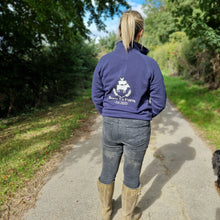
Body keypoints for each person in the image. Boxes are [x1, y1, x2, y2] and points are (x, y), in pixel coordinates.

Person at [92, 10, 166, 220]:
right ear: (140, 33)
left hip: (111, 125)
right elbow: (159, 102)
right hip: (137, 128)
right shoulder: (150, 64)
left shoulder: (104, 61)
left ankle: (105, 212)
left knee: (108, 170)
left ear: (118, 31)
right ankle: (127, 215)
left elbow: (97, 96)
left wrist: (109, 113)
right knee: (132, 174)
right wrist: (142, 115)